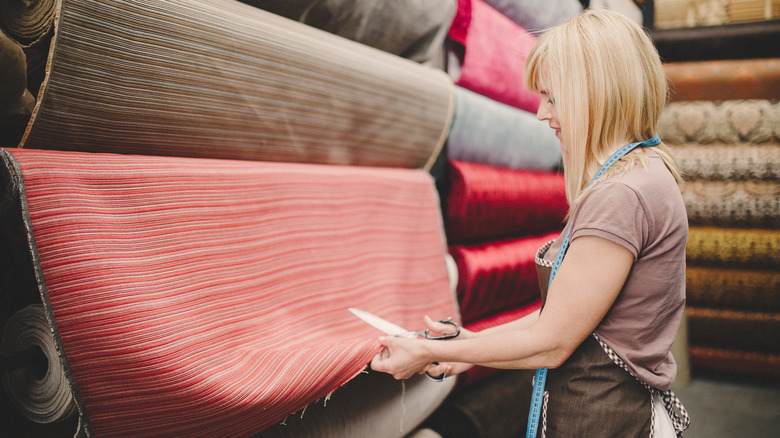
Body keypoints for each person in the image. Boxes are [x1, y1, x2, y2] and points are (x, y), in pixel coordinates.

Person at [370, 9, 690, 437]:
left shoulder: (620, 195)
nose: (541, 114)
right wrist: (464, 345)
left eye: (552, 97)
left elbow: (553, 341)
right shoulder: (643, 171)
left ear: (594, 93)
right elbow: (561, 317)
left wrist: (423, 350)